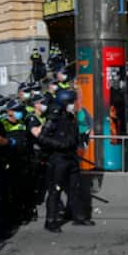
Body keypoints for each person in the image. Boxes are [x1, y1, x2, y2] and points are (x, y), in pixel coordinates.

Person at [39, 89, 83, 231]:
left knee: (75, 188)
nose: (74, 105)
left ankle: (76, 216)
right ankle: (50, 221)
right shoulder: (54, 118)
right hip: (58, 159)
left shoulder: (71, 117)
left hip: (71, 157)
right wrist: (60, 145)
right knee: (55, 190)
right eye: (71, 102)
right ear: (65, 103)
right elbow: (42, 137)